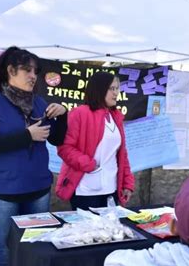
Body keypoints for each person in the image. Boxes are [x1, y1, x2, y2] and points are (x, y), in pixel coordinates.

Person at [0, 46, 68, 266]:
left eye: (36, 71)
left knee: (36, 249)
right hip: (2, 192)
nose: (33, 76)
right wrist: (26, 135)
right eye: (27, 70)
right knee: (3, 251)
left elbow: (57, 138)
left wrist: (63, 116)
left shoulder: (38, 102)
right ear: (10, 71)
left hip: (37, 189)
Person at [56, 71, 134, 210]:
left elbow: (122, 155)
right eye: (111, 88)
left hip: (111, 189)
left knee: (108, 230)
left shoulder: (116, 117)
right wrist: (89, 164)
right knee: (88, 231)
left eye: (117, 89)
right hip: (85, 190)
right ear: (99, 89)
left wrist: (127, 183)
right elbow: (65, 148)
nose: (116, 93)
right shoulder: (79, 113)